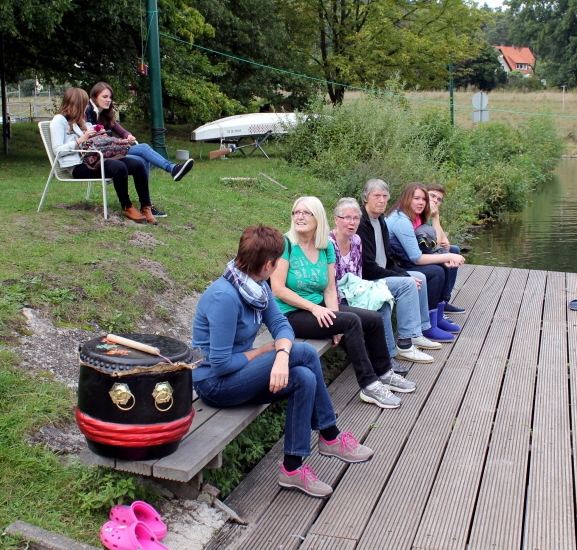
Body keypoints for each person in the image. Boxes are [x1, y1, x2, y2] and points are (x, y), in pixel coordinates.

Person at [191, 225, 374, 499]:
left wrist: (281, 355)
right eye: (277, 262)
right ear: (268, 265)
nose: (277, 266)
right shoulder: (224, 297)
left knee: (304, 377)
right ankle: (330, 435)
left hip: (240, 374)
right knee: (306, 353)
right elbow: (220, 365)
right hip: (215, 385)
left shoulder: (256, 286)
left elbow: (280, 324)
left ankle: (292, 469)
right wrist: (264, 352)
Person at [270, 196, 417, 410]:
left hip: (319, 307)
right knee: (350, 321)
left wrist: (334, 320)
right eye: (296, 212)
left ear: (318, 217)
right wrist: (317, 309)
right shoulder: (286, 244)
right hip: (289, 314)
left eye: (305, 212)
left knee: (374, 318)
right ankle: (369, 385)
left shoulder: (324, 247)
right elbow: (278, 289)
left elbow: (330, 289)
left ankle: (385, 373)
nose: (299, 217)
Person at [329, 197, 441, 375]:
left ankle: (405, 342)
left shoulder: (356, 240)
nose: (352, 222)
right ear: (336, 219)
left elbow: (359, 273)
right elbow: (330, 284)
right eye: (347, 218)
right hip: (337, 297)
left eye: (356, 218)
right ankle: (388, 356)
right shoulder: (329, 243)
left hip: (356, 289)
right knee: (381, 300)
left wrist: (369, 291)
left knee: (383, 297)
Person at [357, 178, 456, 343]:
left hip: (387, 268)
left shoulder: (380, 220)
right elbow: (369, 267)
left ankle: (423, 327)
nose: (381, 200)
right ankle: (408, 338)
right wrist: (404, 277)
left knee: (420, 277)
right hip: (368, 278)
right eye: (376, 196)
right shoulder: (365, 223)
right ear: (365, 198)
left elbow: (387, 260)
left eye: (384, 196)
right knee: (423, 277)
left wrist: (405, 275)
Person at [87, 82, 195, 218]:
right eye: (105, 97)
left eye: (110, 97)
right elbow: (91, 139)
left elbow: (122, 131)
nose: (108, 100)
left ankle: (146, 205)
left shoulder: (106, 115)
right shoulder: (88, 114)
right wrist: (120, 141)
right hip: (102, 156)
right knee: (143, 148)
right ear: (95, 96)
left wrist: (128, 136)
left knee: (142, 159)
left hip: (113, 153)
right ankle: (171, 169)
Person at [49, 87, 155, 224]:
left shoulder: (80, 121)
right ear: (77, 104)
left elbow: (92, 140)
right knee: (119, 167)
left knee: (137, 165)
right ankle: (127, 206)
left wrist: (99, 134)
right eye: (85, 104)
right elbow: (58, 150)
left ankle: (146, 207)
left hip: (93, 159)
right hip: (77, 166)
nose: (87, 108)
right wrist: (80, 140)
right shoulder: (59, 121)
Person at [386, 183, 464, 336]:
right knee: (436, 272)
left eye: (423, 199)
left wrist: (444, 257)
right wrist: (448, 256)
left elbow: (433, 246)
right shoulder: (401, 220)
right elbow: (416, 258)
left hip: (404, 259)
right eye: (417, 198)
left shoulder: (414, 216)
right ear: (407, 198)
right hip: (394, 265)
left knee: (442, 265)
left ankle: (437, 317)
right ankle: (427, 325)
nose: (421, 202)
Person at [426, 183, 466, 313]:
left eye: (439, 199)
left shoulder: (431, 214)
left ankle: (444, 300)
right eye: (432, 196)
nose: (435, 201)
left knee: (453, 249)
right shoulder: (422, 213)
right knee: (448, 254)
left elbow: (442, 239)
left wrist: (446, 244)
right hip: (419, 255)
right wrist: (435, 216)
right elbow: (435, 244)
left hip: (430, 250)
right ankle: (438, 304)